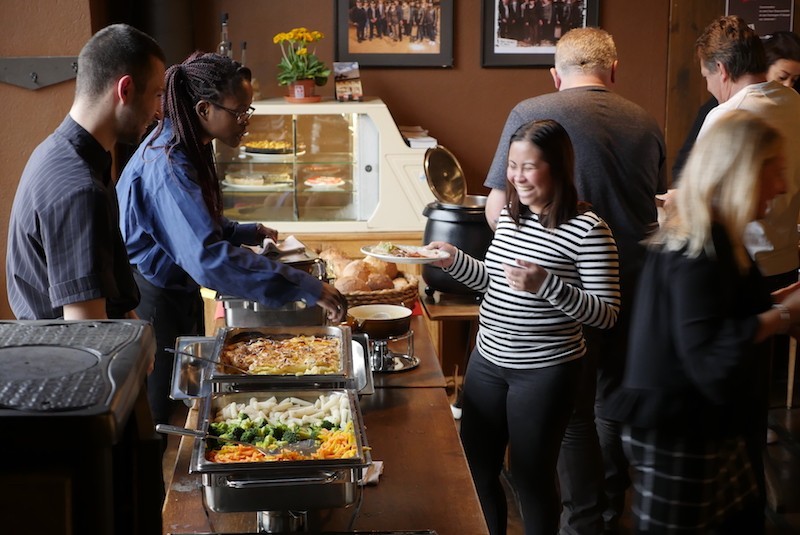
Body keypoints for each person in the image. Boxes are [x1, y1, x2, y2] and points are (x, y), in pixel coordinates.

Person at [483, 27, 666, 534]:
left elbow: (501, 206)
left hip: (562, 295)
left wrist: (526, 259)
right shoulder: (646, 121)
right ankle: (604, 512)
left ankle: (575, 520)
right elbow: (658, 203)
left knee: (573, 419)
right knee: (609, 406)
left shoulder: (531, 113)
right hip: (637, 286)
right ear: (614, 69)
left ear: (555, 74)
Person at [116, 52, 349, 428]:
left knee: (187, 408)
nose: (246, 122)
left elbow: (187, 225)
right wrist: (308, 286)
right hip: (153, 301)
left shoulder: (190, 141)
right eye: (240, 113)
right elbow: (209, 257)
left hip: (174, 291)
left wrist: (242, 231)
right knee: (163, 419)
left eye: (248, 110)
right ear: (205, 109)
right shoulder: (168, 164)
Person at [606, 109, 800, 534]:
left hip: (705, 423)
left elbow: (709, 315)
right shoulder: (699, 248)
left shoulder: (714, 234)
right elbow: (708, 356)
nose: (784, 186)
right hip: (678, 433)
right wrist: (782, 316)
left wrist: (773, 303)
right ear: (741, 173)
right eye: (775, 172)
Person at [428, 119, 620, 535]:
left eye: (528, 167)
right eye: (512, 166)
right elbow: (493, 282)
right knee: (478, 470)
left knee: (530, 477)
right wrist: (453, 259)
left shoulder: (590, 230)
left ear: (557, 167)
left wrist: (547, 285)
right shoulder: (514, 219)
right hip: (488, 361)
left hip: (546, 371)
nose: (516, 176)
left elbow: (606, 313)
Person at [6, 24, 165, 321]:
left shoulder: (59, 152)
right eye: (157, 94)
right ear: (125, 89)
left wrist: (136, 329)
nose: (159, 112)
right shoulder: (79, 188)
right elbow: (86, 332)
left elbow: (105, 280)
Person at [671, 30, 800, 179]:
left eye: (706, 77)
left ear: (721, 69)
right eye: (783, 77)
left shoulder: (725, 113)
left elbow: (699, 184)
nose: (788, 85)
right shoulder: (795, 102)